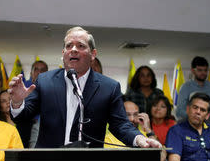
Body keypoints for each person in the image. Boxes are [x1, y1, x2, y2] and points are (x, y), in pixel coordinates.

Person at [9, 26, 161, 149]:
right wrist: (17, 102)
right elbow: (23, 118)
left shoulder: (109, 87)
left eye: (81, 46)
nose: (73, 49)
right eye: (69, 46)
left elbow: (120, 124)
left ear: (93, 54)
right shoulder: (45, 80)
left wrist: (139, 139)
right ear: (63, 53)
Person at [175, 56, 210, 125]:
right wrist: (196, 117)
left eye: (205, 70)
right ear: (193, 70)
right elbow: (179, 111)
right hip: (189, 121)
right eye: (200, 70)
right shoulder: (186, 87)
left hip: (208, 121)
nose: (203, 73)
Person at [20, 60, 48, 147]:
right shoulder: (23, 87)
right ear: (31, 73)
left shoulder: (52, 88)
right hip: (25, 125)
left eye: (42, 70)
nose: (39, 72)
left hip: (45, 126)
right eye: (36, 69)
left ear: (48, 72)